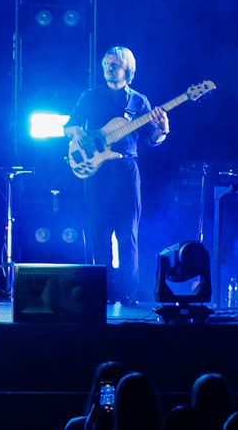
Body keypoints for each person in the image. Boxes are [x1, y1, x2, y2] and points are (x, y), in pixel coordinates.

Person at [64, 46, 170, 280]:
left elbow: (151, 140)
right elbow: (68, 126)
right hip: (96, 173)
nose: (109, 68)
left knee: (127, 233)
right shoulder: (89, 96)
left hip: (125, 170)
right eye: (106, 64)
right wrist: (76, 133)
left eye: (115, 65)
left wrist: (162, 131)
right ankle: (102, 289)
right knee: (99, 231)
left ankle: (127, 291)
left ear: (128, 69)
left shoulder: (139, 101)